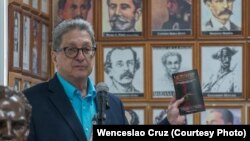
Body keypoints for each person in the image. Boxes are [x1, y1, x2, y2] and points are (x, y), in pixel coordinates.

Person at [23, 19, 186, 141]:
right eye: (71, 49)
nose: (80, 57)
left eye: (86, 49)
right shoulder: (31, 101)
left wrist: (169, 123)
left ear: (93, 54)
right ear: (54, 57)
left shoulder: (113, 104)